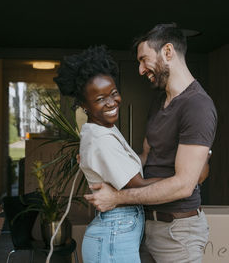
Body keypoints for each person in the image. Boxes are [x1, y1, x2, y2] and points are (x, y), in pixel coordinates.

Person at [84, 23, 217, 263]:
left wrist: (117, 198)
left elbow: (184, 185)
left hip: (177, 232)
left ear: (167, 52)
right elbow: (145, 157)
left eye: (144, 60)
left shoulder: (197, 106)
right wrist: (103, 161)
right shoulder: (160, 101)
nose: (140, 70)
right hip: (145, 226)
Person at [54, 46, 163, 263]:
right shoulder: (100, 139)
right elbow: (138, 186)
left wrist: (146, 152)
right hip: (114, 235)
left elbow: (129, 170)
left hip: (117, 232)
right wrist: (184, 179)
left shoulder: (105, 128)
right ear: (84, 105)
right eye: (100, 99)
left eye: (113, 93)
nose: (112, 103)